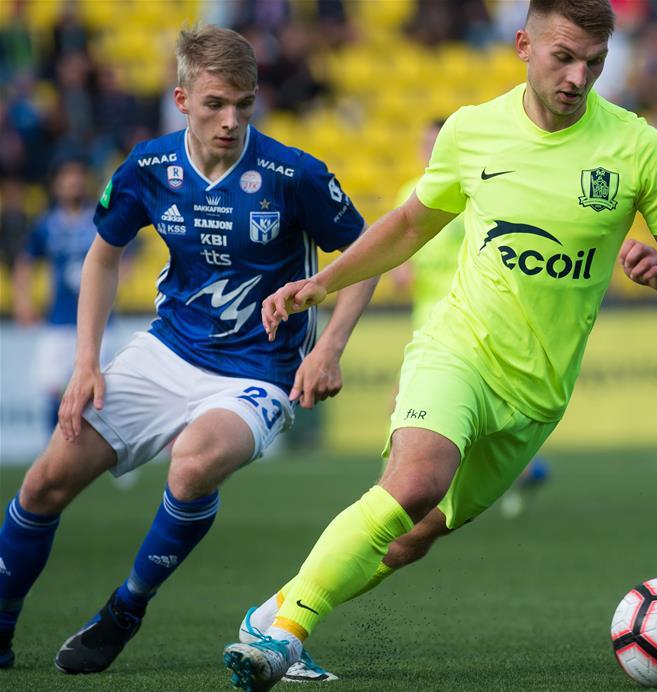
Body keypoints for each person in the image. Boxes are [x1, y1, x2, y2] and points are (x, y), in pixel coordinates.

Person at [224, 1, 657, 689]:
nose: (578, 76)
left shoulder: (636, 146)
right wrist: (320, 288)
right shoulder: (471, 131)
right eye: (563, 56)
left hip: (537, 392)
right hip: (456, 347)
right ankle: (285, 638)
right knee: (414, 482)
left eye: (593, 62)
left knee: (413, 536)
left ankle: (273, 611)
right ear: (523, 45)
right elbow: (406, 226)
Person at [0, 25, 377, 680]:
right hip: (167, 352)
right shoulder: (149, 167)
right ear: (181, 99)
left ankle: (125, 608)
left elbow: (366, 256)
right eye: (214, 105)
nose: (230, 120)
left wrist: (330, 348)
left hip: (259, 373)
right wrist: (86, 364)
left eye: (243, 103)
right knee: (43, 482)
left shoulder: (293, 174)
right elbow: (102, 255)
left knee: (193, 460)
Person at [391, 120, 550, 521]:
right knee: (426, 410)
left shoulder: (475, 191)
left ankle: (392, 498)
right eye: (424, 144)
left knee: (425, 406)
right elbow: (400, 264)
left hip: (472, 320)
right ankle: (521, 472)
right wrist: (401, 271)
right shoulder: (408, 193)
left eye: (435, 144)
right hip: (427, 320)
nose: (428, 152)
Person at [12, 158, 117, 435]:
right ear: (56, 185)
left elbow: (121, 255)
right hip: (58, 320)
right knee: (52, 387)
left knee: (102, 390)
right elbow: (26, 261)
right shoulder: (46, 225)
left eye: (78, 176)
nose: (73, 182)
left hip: (99, 323)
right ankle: (54, 448)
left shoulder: (99, 219)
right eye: (67, 177)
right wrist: (23, 300)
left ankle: (111, 452)